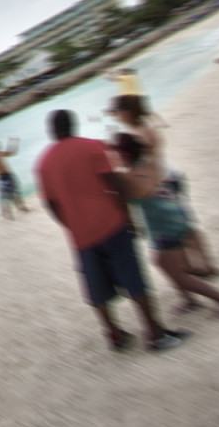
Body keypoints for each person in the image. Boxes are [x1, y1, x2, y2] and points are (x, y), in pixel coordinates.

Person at [34, 109, 186, 353]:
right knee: (134, 280)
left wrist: (69, 224)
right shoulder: (92, 147)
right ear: (73, 125)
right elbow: (113, 184)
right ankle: (155, 334)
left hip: (80, 236)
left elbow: (50, 203)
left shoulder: (43, 164)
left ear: (51, 131)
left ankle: (114, 334)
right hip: (111, 224)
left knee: (96, 287)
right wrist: (128, 217)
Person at [113, 133, 219, 317]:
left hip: (164, 227)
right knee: (161, 262)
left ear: (124, 155)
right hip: (176, 214)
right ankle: (189, 299)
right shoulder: (149, 163)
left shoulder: (126, 179)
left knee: (179, 275)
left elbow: (113, 187)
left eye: (114, 153)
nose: (112, 158)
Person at [108, 94, 218, 277]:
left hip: (164, 181)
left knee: (185, 228)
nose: (114, 115)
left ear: (126, 112)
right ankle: (199, 265)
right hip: (167, 176)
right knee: (185, 226)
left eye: (116, 112)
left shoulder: (138, 133)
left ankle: (200, 266)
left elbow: (139, 162)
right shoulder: (143, 128)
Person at [0, 138, 30, 219]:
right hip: (1, 177)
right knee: (4, 196)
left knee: (16, 191)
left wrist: (13, 142)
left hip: (9, 174)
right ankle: (6, 213)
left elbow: (12, 153)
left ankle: (21, 206)